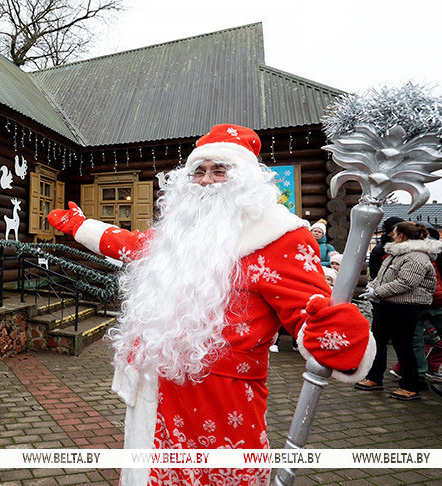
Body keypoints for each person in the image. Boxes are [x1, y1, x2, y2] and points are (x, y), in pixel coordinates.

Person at [48, 124, 374, 485]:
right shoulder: (179, 230)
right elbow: (134, 245)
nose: (206, 180)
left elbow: (310, 313)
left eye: (220, 170)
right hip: (155, 389)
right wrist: (81, 226)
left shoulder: (281, 237)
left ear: (246, 180)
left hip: (221, 404)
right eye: (198, 171)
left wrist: (334, 335)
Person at [356, 221, 441, 401]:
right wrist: (373, 288)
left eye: (394, 232)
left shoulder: (417, 256)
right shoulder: (397, 253)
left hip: (405, 307)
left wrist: (377, 291)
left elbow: (406, 282)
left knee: (403, 346)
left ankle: (410, 386)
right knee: (378, 342)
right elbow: (382, 277)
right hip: (387, 304)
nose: (390, 235)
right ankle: (374, 377)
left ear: (402, 235)